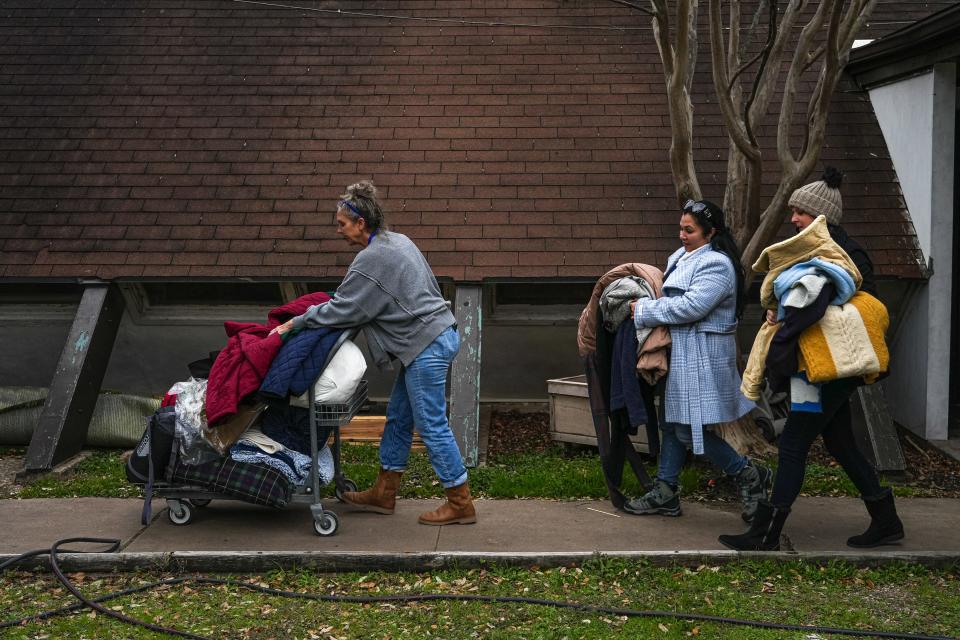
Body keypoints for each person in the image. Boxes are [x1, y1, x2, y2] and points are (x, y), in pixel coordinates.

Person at [719, 168, 903, 551]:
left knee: (794, 444)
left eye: (800, 211)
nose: (793, 219)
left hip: (831, 370)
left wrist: (791, 316)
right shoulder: (810, 249)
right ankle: (886, 520)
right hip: (814, 367)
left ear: (822, 216)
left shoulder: (849, 256)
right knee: (840, 444)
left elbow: (854, 314)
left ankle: (766, 533)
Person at [272, 181, 475, 526]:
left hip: (426, 344)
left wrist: (296, 323)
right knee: (399, 416)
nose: (339, 231)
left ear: (361, 223)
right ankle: (384, 493)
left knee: (431, 425)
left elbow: (343, 308)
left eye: (342, 224)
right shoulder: (398, 241)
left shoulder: (371, 259)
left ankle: (460, 501)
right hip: (434, 336)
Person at [627, 199, 771, 521]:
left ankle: (748, 474)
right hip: (683, 355)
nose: (682, 235)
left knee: (687, 431)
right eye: (680, 228)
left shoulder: (717, 264)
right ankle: (666, 490)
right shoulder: (683, 258)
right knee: (672, 423)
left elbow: (690, 307)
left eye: (689, 230)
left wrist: (644, 312)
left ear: (710, 232)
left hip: (702, 358)